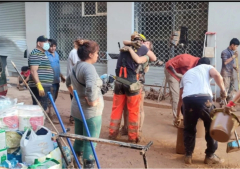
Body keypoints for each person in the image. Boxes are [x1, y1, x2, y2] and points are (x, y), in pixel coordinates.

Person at [175, 57, 227, 165]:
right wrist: (223, 90)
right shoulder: (208, 67)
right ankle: (210, 156)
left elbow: (180, 98)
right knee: (211, 127)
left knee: (189, 128)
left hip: (187, 101)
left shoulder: (187, 73)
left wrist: (178, 115)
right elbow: (218, 76)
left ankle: (188, 156)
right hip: (204, 100)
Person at [109, 32, 155, 143]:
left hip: (119, 82)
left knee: (116, 109)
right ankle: (133, 137)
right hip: (132, 84)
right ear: (142, 41)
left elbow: (126, 42)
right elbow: (153, 57)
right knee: (134, 111)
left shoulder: (125, 47)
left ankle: (113, 133)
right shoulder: (143, 49)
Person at [66, 39, 103, 169]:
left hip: (77, 109)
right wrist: (92, 101)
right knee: (90, 142)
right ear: (90, 55)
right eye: (97, 53)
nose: (98, 55)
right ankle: (89, 166)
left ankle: (74, 164)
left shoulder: (76, 66)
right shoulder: (89, 68)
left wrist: (78, 95)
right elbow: (91, 88)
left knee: (79, 138)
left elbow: (67, 84)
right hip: (90, 112)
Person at [120, 40, 157, 140]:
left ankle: (138, 130)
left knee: (139, 109)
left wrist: (130, 49)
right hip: (127, 83)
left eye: (147, 44)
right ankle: (126, 127)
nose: (144, 43)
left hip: (138, 85)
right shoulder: (135, 51)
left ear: (149, 49)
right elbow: (125, 42)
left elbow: (138, 60)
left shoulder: (146, 56)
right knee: (126, 107)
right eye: (143, 42)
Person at [165, 54, 201, 125]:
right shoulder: (187, 60)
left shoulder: (197, 67)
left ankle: (181, 114)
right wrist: (176, 73)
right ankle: (176, 119)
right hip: (172, 72)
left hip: (182, 75)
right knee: (176, 96)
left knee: (184, 95)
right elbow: (169, 64)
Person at [28, 36, 54, 118]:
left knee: (42, 107)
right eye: (45, 42)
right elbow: (33, 71)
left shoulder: (42, 53)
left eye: (48, 43)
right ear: (39, 43)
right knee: (39, 109)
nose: (48, 45)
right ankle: (38, 127)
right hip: (40, 86)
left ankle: (39, 125)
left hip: (44, 85)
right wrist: (39, 85)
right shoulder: (35, 53)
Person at [45, 39, 66, 124]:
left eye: (54, 46)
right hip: (49, 81)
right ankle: (50, 116)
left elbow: (57, 66)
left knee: (54, 97)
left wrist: (61, 76)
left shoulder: (56, 54)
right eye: (51, 46)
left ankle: (49, 114)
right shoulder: (45, 55)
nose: (53, 48)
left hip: (56, 80)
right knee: (50, 99)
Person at [220, 38, 239, 108]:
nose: (236, 48)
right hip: (225, 73)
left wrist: (235, 67)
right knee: (225, 88)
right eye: (236, 46)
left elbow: (231, 63)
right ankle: (222, 104)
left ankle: (229, 105)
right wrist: (233, 56)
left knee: (231, 89)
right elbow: (225, 62)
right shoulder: (224, 52)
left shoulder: (232, 52)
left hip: (231, 73)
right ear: (232, 45)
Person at [66, 37, 82, 124]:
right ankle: (73, 117)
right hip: (73, 79)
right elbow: (77, 65)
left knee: (75, 98)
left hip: (74, 79)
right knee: (75, 98)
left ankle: (74, 116)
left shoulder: (77, 52)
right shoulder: (74, 52)